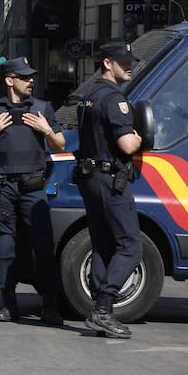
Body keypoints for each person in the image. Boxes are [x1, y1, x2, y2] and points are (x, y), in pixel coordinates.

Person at [0, 57, 65, 325]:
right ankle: (8, 304)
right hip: (3, 187)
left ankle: (50, 306)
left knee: (44, 246)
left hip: (33, 187)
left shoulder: (42, 108)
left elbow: (59, 145)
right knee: (5, 243)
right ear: (9, 80)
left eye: (31, 76)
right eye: (24, 77)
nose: (31, 80)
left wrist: (47, 130)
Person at [75, 42, 144, 339]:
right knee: (130, 245)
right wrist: (139, 137)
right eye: (122, 62)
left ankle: (99, 313)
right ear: (107, 63)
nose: (129, 66)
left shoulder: (87, 96)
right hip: (108, 178)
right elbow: (127, 145)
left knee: (104, 244)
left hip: (91, 178)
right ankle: (103, 309)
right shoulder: (115, 99)